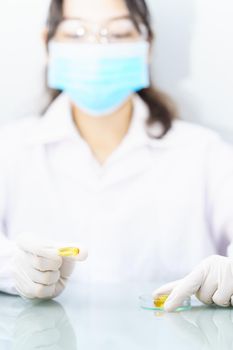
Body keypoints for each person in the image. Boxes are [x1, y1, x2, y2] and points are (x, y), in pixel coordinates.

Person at [0, 0, 233, 312]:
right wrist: (11, 268)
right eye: (77, 33)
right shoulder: (10, 148)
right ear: (48, 44)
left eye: (119, 33)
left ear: (147, 45)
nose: (97, 48)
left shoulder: (205, 154)